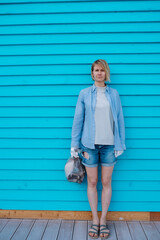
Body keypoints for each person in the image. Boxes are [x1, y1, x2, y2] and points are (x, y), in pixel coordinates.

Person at [70, 59, 126, 239]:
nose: (99, 73)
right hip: (89, 146)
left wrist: (120, 144)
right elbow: (78, 120)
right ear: (92, 73)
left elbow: (120, 119)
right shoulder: (84, 94)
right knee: (92, 182)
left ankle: (103, 220)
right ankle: (94, 220)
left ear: (106, 72)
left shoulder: (114, 94)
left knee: (107, 182)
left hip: (110, 145)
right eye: (96, 70)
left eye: (102, 70)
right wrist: (74, 145)